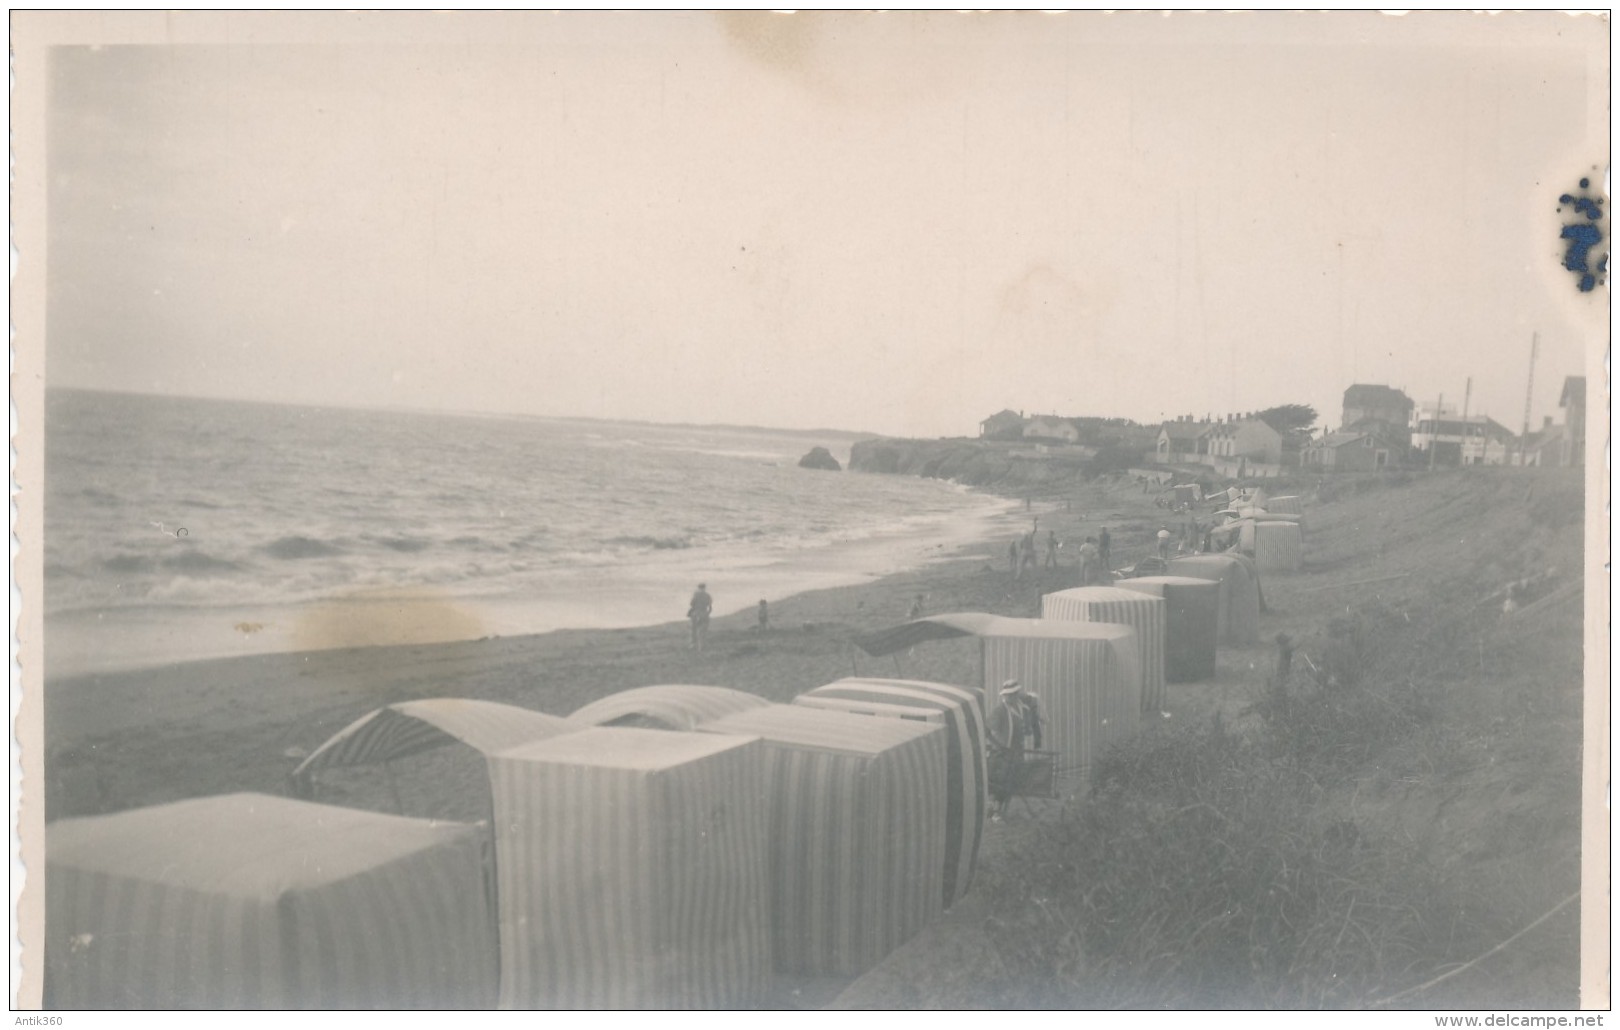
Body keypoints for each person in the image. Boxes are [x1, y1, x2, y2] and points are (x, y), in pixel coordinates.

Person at [987, 679, 1044, 819]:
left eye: (1013, 694)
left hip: (1017, 751)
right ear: (1004, 695)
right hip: (1001, 753)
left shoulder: (1022, 709)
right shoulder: (999, 710)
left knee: (1012, 782)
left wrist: (1027, 730)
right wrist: (1000, 745)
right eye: (1007, 694)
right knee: (999, 782)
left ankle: (998, 810)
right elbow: (988, 731)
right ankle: (995, 811)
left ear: (1017, 694)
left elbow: (1028, 728)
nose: (1010, 697)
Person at [688, 583, 713, 651]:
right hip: (704, 613)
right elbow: (710, 607)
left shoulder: (696, 594)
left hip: (696, 613)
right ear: (705, 588)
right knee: (703, 631)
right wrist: (707, 613)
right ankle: (701, 646)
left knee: (693, 630)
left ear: (698, 588)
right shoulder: (708, 595)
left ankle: (693, 645)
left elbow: (691, 604)